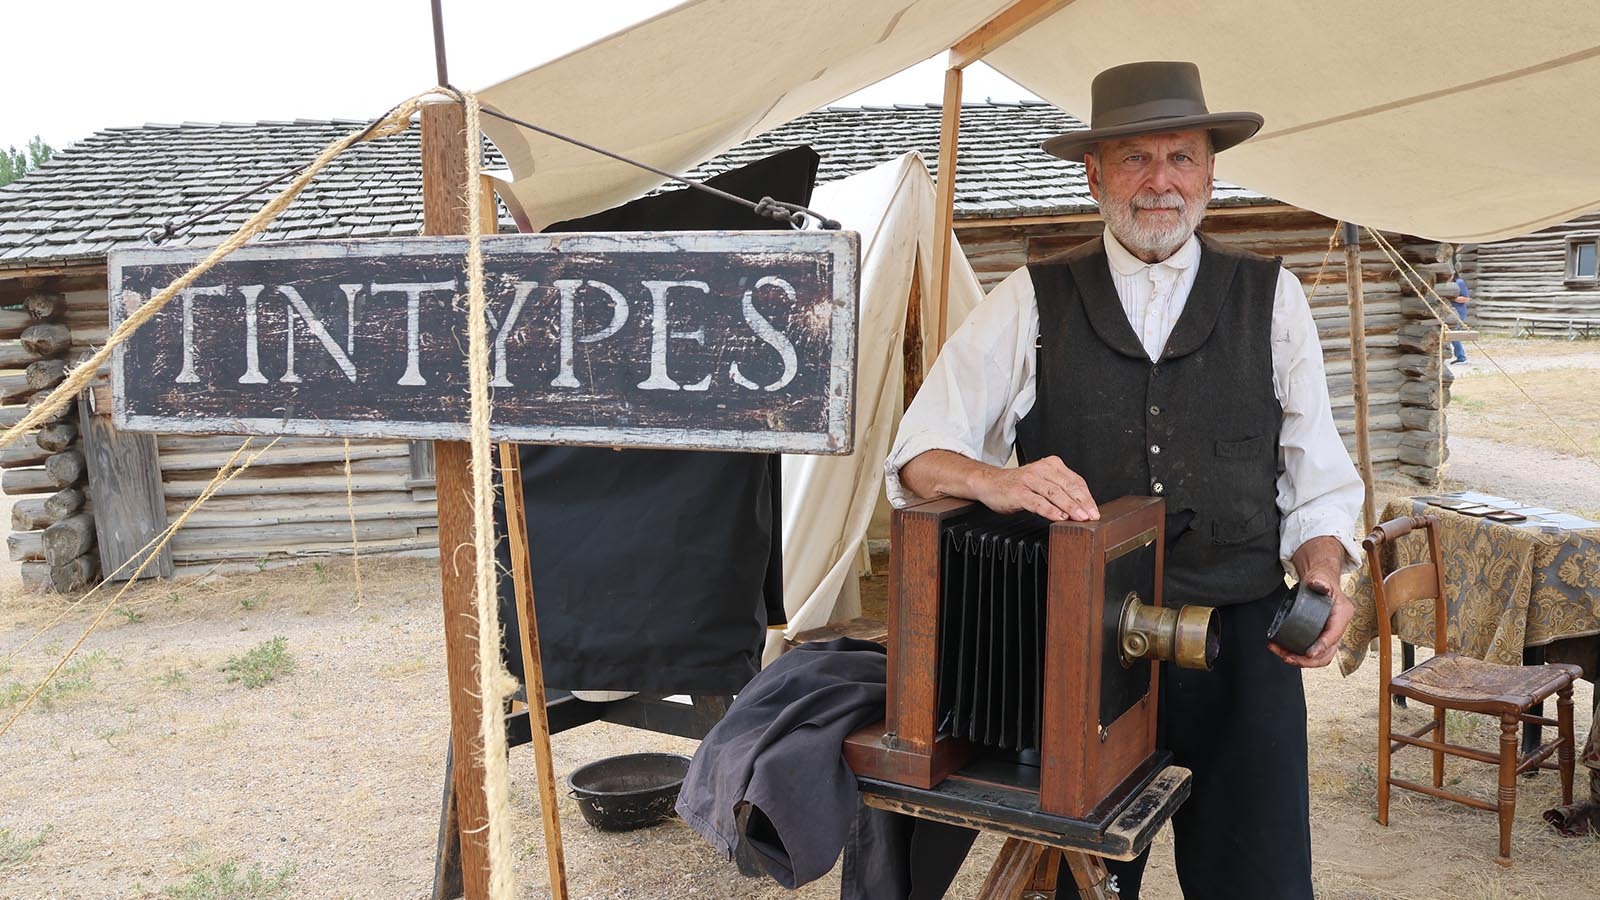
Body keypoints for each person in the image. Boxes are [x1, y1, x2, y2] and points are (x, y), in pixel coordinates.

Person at [883, 60, 1364, 900]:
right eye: (1136, 159)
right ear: (1094, 174)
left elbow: (1315, 477)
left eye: (1181, 158)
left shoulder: (1273, 298)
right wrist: (995, 480)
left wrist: (1323, 574)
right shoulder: (1031, 298)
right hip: (1079, 652)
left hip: (1242, 649)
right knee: (1080, 886)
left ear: (1210, 172)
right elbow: (919, 452)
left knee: (1259, 879)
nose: (1160, 182)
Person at [1450, 273, 1471, 364]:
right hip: (1448, 312)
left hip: (1458, 312)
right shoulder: (1445, 283)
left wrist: (1451, 298)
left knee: (1453, 333)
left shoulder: (1459, 282)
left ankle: (1461, 357)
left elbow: (1466, 299)